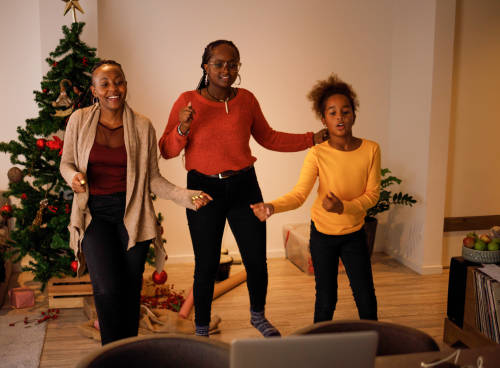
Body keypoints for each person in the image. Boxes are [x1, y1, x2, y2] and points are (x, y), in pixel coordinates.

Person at [159, 40, 326, 337]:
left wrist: (311, 139)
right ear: (205, 66)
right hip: (203, 189)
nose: (226, 69)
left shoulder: (246, 100)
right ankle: (201, 328)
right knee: (206, 264)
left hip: (244, 186)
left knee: (255, 259)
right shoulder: (187, 101)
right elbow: (167, 151)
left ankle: (258, 315)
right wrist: (182, 128)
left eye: (232, 63)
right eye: (219, 63)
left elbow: (269, 138)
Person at [60, 60, 212, 345]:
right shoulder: (79, 120)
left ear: (126, 85)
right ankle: (111, 354)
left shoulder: (142, 126)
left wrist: (186, 196)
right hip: (94, 214)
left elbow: (153, 179)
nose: (113, 89)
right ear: (94, 90)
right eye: (104, 84)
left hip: (133, 217)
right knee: (106, 289)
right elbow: (66, 163)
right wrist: (74, 177)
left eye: (118, 82)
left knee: (130, 291)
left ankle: (127, 352)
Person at [251, 74, 380, 323]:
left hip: (354, 233)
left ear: (354, 114)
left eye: (345, 111)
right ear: (323, 119)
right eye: (332, 112)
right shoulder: (317, 153)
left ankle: (375, 347)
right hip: (323, 235)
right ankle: (317, 349)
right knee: (325, 299)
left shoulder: (371, 149)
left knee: (366, 298)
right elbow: (300, 195)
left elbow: (373, 195)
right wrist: (272, 206)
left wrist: (344, 207)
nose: (339, 117)